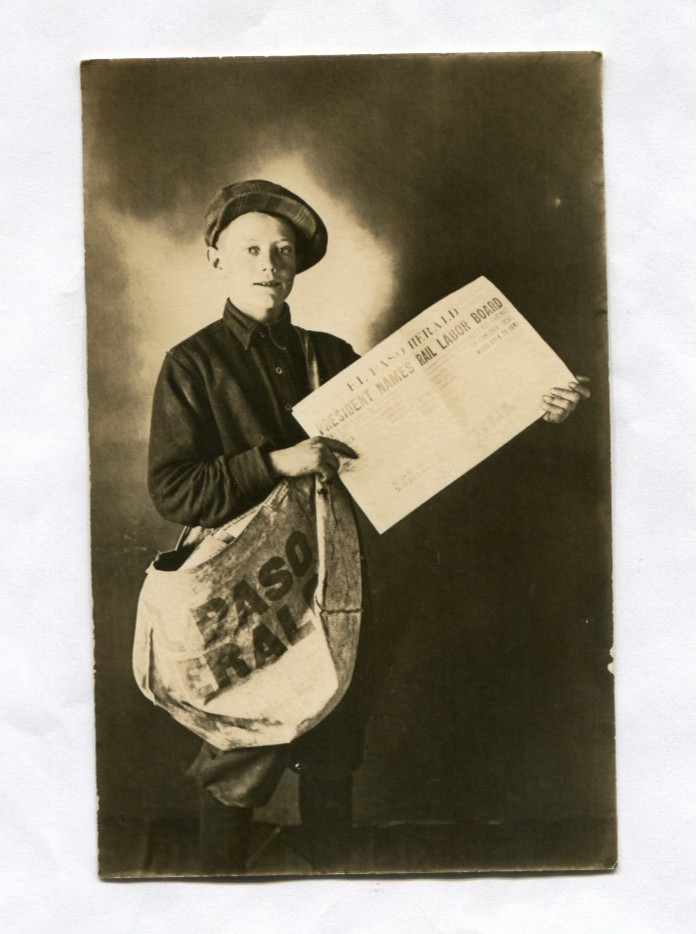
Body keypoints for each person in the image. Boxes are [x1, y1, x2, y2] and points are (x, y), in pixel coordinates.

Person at [147, 179, 590, 874]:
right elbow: (174, 490)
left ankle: (337, 901)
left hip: (340, 582)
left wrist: (532, 402)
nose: (270, 263)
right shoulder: (192, 365)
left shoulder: (331, 357)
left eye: (284, 251)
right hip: (249, 594)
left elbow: (432, 429)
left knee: (332, 750)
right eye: (253, 249)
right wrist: (278, 461)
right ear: (217, 260)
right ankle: (214, 903)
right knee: (238, 758)